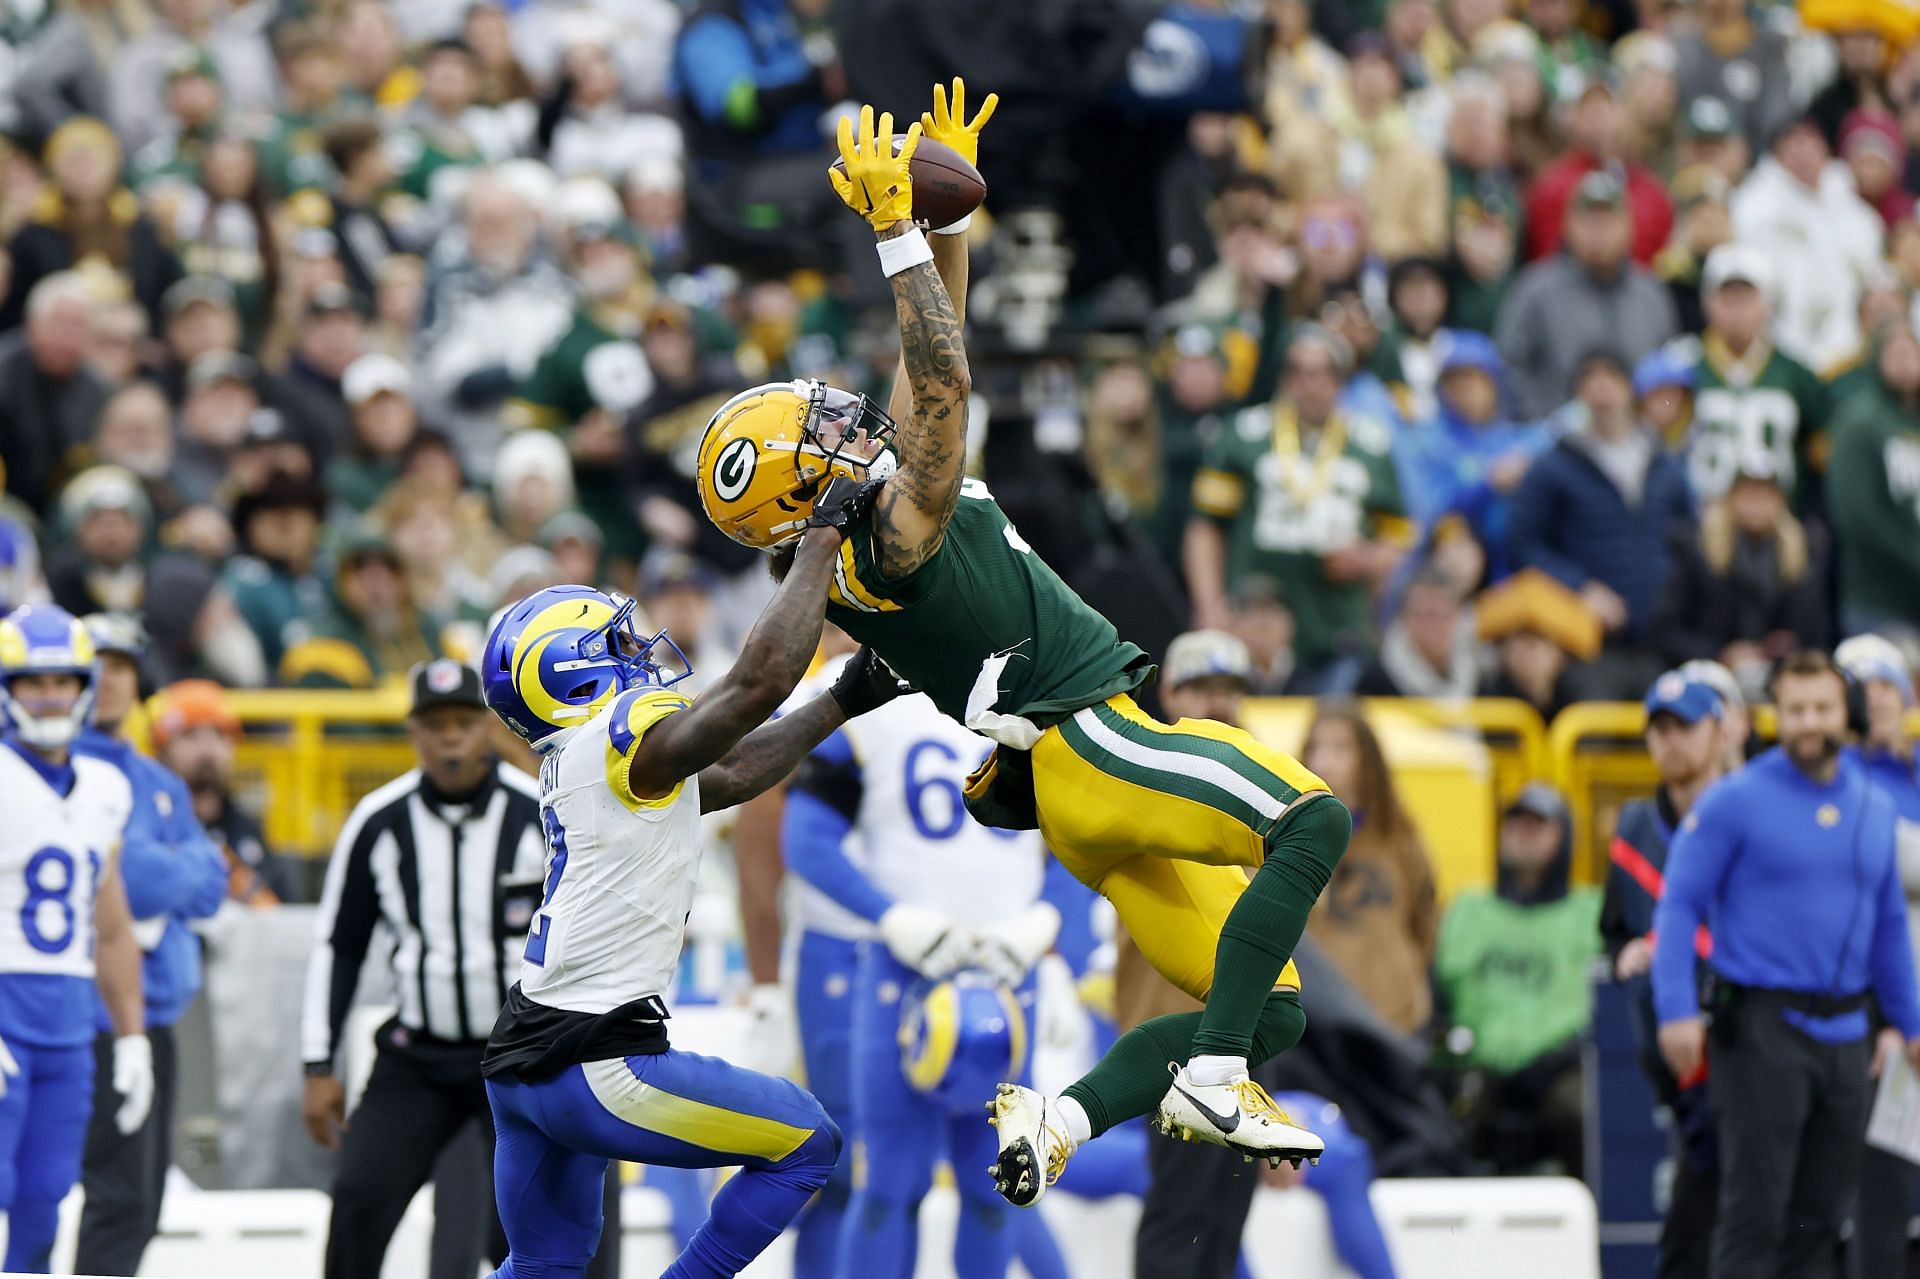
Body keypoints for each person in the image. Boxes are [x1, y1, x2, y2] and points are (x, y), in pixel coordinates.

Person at [694, 88, 1351, 1202]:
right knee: (1313, 818)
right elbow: (943, 386)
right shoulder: (893, 535)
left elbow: (931, 375)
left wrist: (948, 226)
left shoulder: (864, 555)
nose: (845, 422)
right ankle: (1218, 1077)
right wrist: (900, 233)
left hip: (1074, 793)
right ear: (801, 492)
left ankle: (1065, 1115)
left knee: (1269, 1001)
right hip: (1092, 738)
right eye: (819, 433)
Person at [477, 472, 904, 1278]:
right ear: (573, 673)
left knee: (542, 1265)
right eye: (613, 645)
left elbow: (735, 772)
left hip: (522, 1057)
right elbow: (757, 682)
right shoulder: (619, 730)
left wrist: (846, 695)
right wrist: (822, 535)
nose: (638, 651)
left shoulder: (583, 760)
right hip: (600, 1061)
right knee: (807, 1143)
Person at [779, 642, 1060, 1278]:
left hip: (1007, 966)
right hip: (905, 968)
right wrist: (891, 917)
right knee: (886, 1183)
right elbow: (806, 839)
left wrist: (1047, 919)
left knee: (1000, 1184)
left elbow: (1090, 827)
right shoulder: (856, 686)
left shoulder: (1041, 680)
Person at [1653, 651, 1920, 1279]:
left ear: (1847, 714)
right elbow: (1678, 906)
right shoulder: (1735, 800)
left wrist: (1911, 1025)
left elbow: (1887, 929)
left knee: (1822, 1219)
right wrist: (1676, 1011)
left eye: (1822, 708)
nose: (1808, 723)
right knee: (1754, 1216)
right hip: (1763, 1031)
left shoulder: (1873, 808)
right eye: (1795, 709)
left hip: (1846, 1036)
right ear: (1775, 716)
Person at [300, 659, 564, 1279]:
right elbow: (339, 944)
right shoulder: (378, 821)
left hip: (517, 1059)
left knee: (531, 1226)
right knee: (358, 1201)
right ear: (413, 733)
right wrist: (318, 1063)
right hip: (416, 1056)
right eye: (434, 724)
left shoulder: (540, 813)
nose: (450, 738)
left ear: (491, 727)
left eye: (464, 722)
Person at [72, 615, 226, 1278]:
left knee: (141, 1200)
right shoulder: (46, 768)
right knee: (98, 1193)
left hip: (154, 1014)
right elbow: (129, 878)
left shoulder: (158, 781)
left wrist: (154, 868)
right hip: (78, 1015)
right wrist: (159, 865)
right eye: (95, 666)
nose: (109, 681)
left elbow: (211, 881)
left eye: (123, 667)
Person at [0, 604, 151, 1272]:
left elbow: (111, 924)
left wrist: (132, 1034)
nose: (51, 694)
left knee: (44, 1199)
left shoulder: (107, 787)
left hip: (66, 1021)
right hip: (4, 1008)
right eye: (34, 681)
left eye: (63, 679)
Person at [1184, 325, 1410, 693]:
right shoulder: (1244, 435)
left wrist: (1370, 558)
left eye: (1322, 373)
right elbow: (1206, 527)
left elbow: (1398, 540)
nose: (1311, 384)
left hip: (1337, 623)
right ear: (1285, 377)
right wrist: (1209, 605)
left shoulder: (1372, 444)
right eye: (1300, 372)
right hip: (1252, 622)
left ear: (1341, 380)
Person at [1601, 670, 1732, 1279]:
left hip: (1745, 1030)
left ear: (1719, 730)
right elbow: (1614, 929)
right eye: (1660, 729)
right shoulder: (1632, 828)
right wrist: (1627, 952)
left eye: (1685, 726)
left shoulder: (1747, 813)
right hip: (1671, 1042)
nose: (1671, 741)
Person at [1507, 351, 1696, 695]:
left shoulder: (1665, 467)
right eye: (1589, 382)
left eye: (1611, 380)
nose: (1602, 391)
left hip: (1665, 640)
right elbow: (1523, 544)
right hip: (1588, 644)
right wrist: (1580, 587)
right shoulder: (1554, 467)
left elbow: (1689, 540)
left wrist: (1676, 600)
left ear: (1630, 390)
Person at [1434, 783, 1599, 1174]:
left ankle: (1598, 1225)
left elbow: (1601, 1010)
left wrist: (1554, 1060)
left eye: (1537, 824)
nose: (1523, 833)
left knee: (1581, 1107)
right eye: (1516, 822)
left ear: (1563, 836)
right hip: (1479, 1067)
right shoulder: (1468, 908)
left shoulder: (1589, 912)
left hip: (1559, 1069)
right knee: (1439, 1118)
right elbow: (1439, 995)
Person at [1833, 633, 1920, 1279]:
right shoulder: (1839, 780)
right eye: (1864, 686)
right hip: (1885, 1016)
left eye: (1888, 683)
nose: (1878, 698)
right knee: (1882, 1197)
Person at [1300, 702, 1438, 1035]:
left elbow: (1425, 922)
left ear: (1367, 761)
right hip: (1317, 1027)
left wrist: (1406, 979)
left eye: (1341, 748)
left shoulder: (1399, 840)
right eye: (1316, 748)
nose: (1325, 761)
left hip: (1394, 1019)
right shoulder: (1290, 842)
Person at [1498, 170, 1680, 420]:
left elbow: (1668, 375)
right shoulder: (1535, 291)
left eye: (1608, 220)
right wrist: (1545, 428)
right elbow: (1510, 368)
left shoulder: (1651, 295)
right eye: (1589, 220)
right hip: (1554, 446)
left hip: (1637, 445)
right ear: (1567, 225)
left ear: (1629, 226)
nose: (1599, 232)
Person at [1685, 245, 1830, 513]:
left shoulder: (1795, 372)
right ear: (1708, 302)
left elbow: (1822, 449)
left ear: (1767, 302)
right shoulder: (1684, 364)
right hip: (1702, 524)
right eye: (1727, 298)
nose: (1737, 310)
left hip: (1780, 527)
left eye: (1746, 298)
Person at [149, 679, 297, 905]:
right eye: (190, 735)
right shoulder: (149, 826)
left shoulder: (249, 830)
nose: (207, 748)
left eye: (219, 734)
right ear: (163, 750)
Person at [1826, 322, 1920, 638]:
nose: (1905, 362)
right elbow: (1857, 514)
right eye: (1895, 353)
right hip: (1879, 599)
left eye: (1912, 352)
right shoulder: (1859, 422)